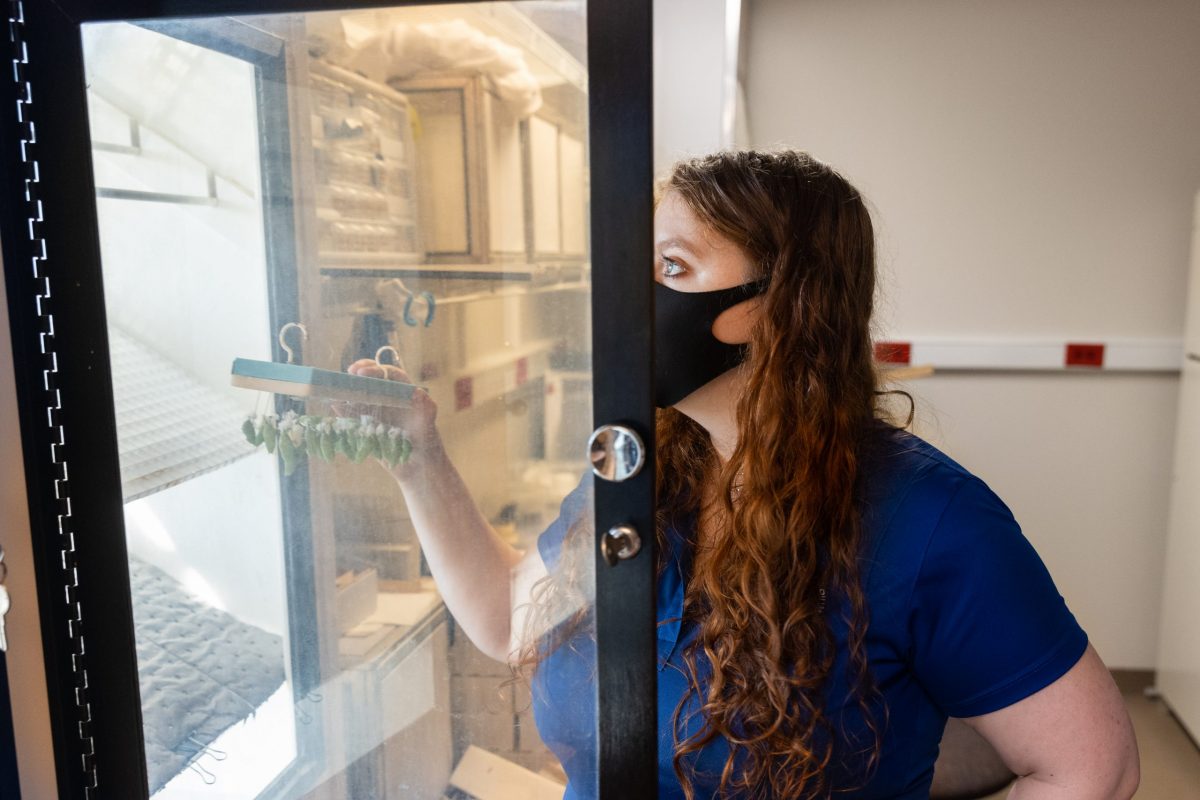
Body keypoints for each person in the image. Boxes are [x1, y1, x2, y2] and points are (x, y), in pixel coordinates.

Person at [350, 150, 1139, 799]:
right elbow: (506, 621)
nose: (636, 295)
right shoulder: (636, 474)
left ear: (778, 303)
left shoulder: (933, 521)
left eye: (672, 266)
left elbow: (1093, 768)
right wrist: (418, 458)